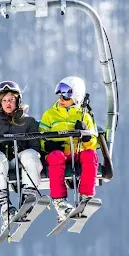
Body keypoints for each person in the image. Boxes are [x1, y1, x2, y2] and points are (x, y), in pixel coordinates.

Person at [0, 81, 43, 229]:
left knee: (31, 156)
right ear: (0, 102)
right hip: (0, 161)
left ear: (17, 100)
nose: (8, 103)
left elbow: (36, 147)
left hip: (18, 160)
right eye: (4, 100)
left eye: (11, 100)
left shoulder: (28, 121)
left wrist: (22, 146)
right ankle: (4, 206)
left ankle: (27, 198)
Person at [39, 76, 99, 221]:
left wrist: (86, 137)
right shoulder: (50, 114)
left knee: (90, 155)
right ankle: (60, 201)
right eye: (60, 94)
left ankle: (86, 196)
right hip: (60, 154)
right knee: (55, 157)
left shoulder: (84, 116)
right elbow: (40, 136)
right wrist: (47, 144)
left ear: (77, 97)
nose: (61, 98)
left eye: (66, 95)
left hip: (76, 152)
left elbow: (92, 144)